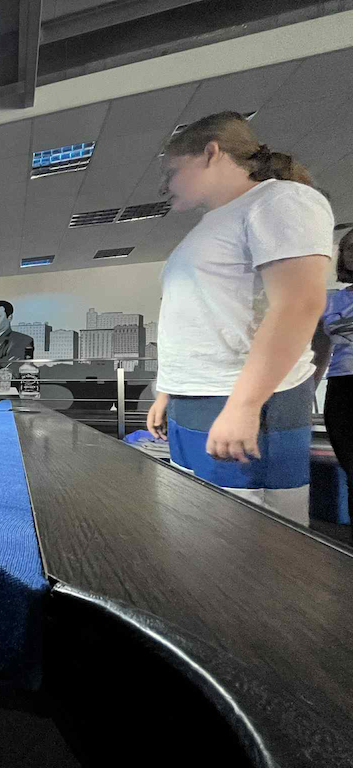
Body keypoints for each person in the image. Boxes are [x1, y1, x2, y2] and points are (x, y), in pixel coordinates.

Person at [146, 111, 334, 525]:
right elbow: (201, 315)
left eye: (173, 172)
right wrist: (168, 393)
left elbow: (298, 304)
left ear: (211, 153)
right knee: (190, 528)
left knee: (247, 539)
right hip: (193, 399)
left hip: (244, 399)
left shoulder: (280, 200)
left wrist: (244, 406)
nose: (165, 186)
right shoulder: (210, 225)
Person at [312, 228, 353, 535]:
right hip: (342, 391)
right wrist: (308, 393)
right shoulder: (331, 301)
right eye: (349, 248)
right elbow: (319, 352)